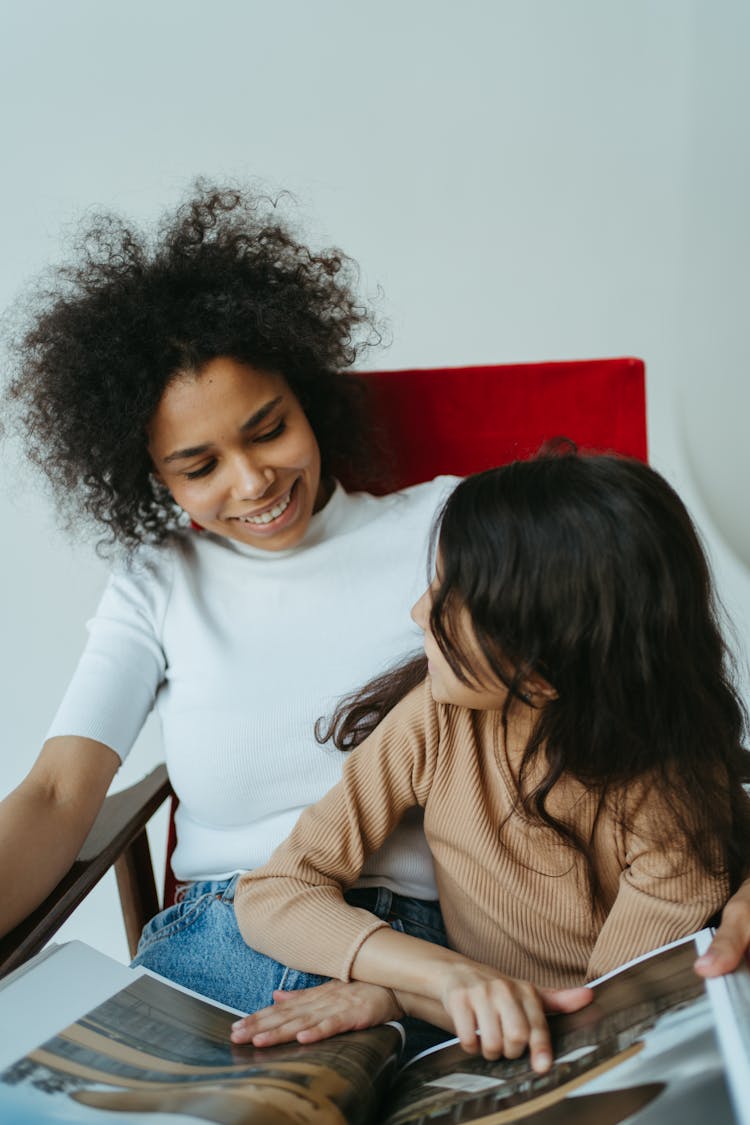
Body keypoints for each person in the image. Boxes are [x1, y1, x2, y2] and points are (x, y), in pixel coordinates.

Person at [0, 183, 460, 1015]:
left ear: (305, 394)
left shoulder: (445, 526)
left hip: (419, 956)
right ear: (151, 474)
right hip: (218, 949)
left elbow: (614, 709)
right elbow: (59, 795)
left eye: (267, 427)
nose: (253, 483)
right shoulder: (159, 579)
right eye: (199, 467)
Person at [230, 452, 750, 1073]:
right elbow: (273, 892)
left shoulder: (668, 805)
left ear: (546, 670)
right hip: (482, 1015)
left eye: (452, 598)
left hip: (589, 1038)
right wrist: (439, 975)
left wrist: (400, 994)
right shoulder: (435, 719)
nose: (420, 610)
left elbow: (605, 1015)